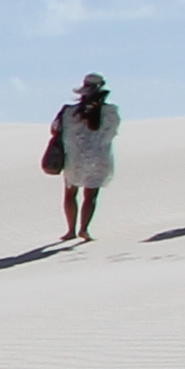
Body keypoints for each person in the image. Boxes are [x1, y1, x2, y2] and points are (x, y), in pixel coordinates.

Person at [43, 70, 120, 242]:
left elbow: (55, 129)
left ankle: (71, 230)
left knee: (70, 193)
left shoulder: (69, 112)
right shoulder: (110, 112)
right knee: (90, 195)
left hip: (74, 158)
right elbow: (111, 133)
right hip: (99, 158)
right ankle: (84, 229)